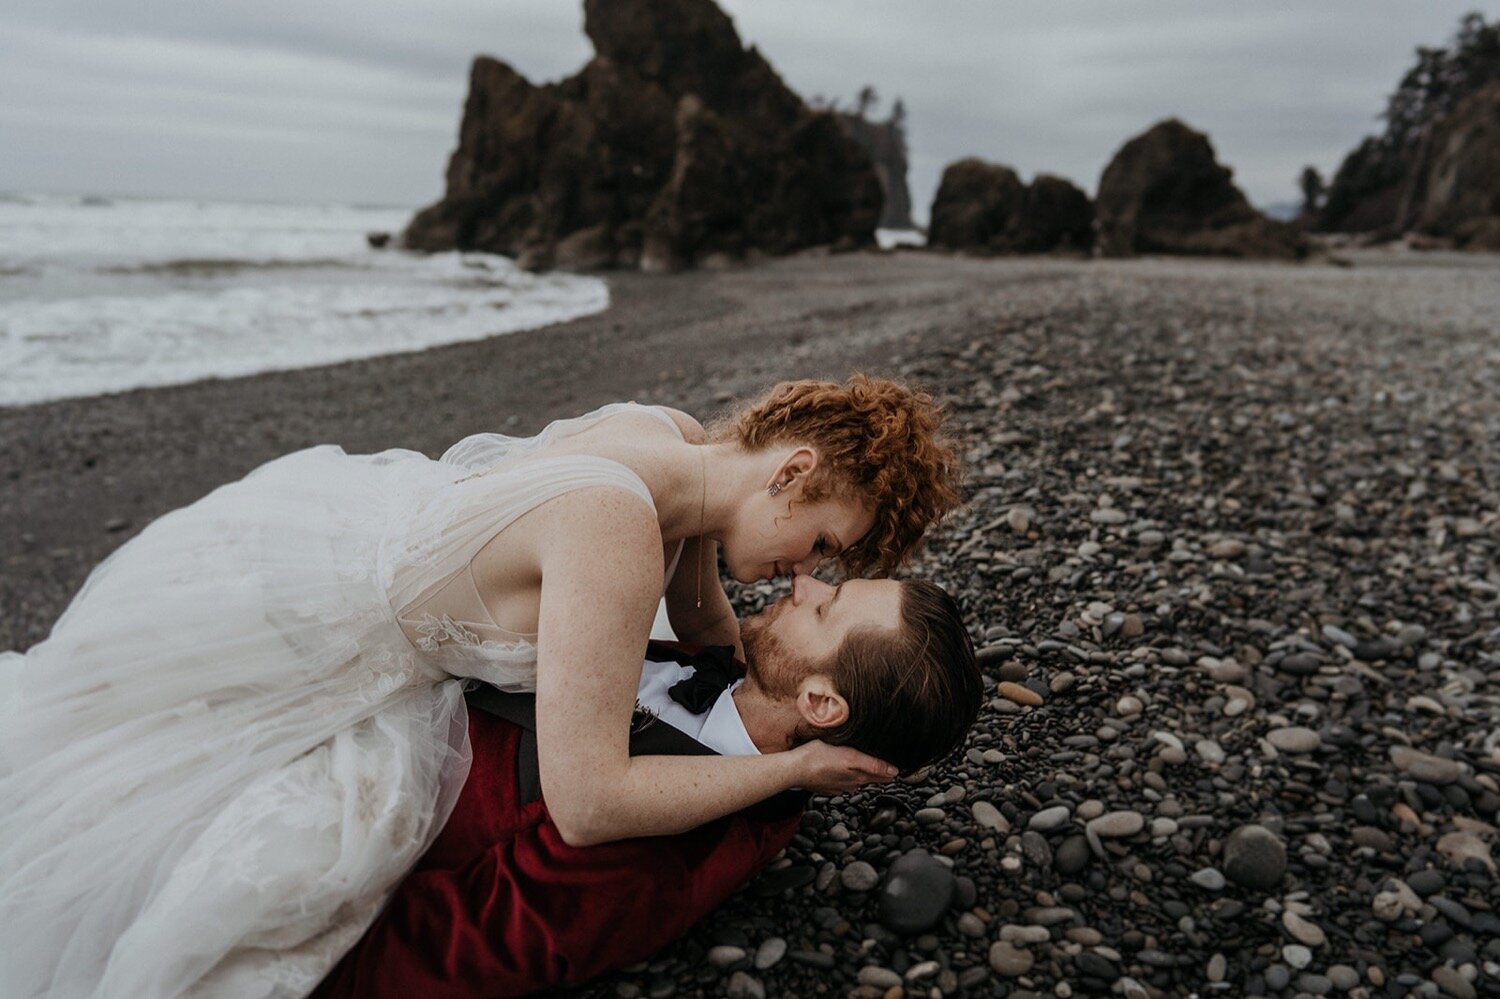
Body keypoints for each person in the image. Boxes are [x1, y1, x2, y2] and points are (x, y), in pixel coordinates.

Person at [0, 374, 964, 997]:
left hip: (303, 545)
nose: (804, 570)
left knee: (90, 752)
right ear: (792, 471)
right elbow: (589, 804)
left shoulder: (666, 439)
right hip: (334, 640)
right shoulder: (619, 535)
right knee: (112, 809)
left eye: (828, 573)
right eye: (826, 543)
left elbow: (709, 623)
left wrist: (794, 732)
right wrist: (790, 771)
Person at [315, 572, 982, 998]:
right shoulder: (717, 664)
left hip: (328, 815)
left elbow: (454, 946)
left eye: (824, 608)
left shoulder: (674, 846)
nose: (805, 581)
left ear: (821, 704)